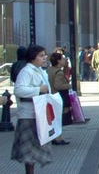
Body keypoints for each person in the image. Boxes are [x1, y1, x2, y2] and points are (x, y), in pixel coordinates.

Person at [11, 44, 52, 174]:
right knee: (29, 150)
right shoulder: (26, 71)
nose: (44, 57)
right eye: (41, 55)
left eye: (45, 55)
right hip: (28, 115)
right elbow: (19, 90)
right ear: (32, 57)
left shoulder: (39, 70)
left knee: (35, 148)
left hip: (38, 114)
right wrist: (38, 90)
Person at [47, 52, 72, 145]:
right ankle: (58, 138)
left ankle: (54, 136)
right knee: (59, 118)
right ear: (58, 61)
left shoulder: (49, 69)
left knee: (53, 118)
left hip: (50, 96)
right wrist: (68, 86)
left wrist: (66, 66)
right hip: (58, 97)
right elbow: (58, 85)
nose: (64, 60)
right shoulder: (58, 72)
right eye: (62, 59)